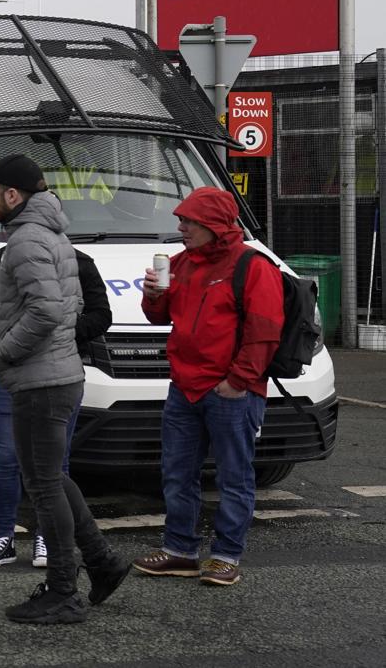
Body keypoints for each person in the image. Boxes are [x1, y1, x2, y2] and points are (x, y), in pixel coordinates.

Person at [0, 153, 128, 624]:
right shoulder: (55, 235)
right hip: (56, 375)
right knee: (53, 478)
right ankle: (102, 563)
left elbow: (45, 312)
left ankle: (63, 590)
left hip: (41, 379)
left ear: (13, 195)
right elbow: (68, 305)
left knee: (43, 485)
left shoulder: (26, 242)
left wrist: (2, 353)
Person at [133, 186, 282, 587]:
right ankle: (181, 551)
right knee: (177, 473)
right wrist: (152, 297)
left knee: (234, 476)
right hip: (185, 387)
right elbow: (158, 317)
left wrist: (238, 382)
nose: (180, 227)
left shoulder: (253, 265)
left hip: (228, 391)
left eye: (188, 221)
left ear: (213, 224)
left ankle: (226, 555)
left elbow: (264, 331)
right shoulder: (181, 263)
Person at [0, 245, 112, 569]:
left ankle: (45, 537)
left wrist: (63, 332)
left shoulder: (79, 262)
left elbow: (101, 315)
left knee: (54, 463)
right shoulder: (0, 260)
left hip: (57, 374)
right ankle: (4, 538)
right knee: (7, 458)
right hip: (12, 375)